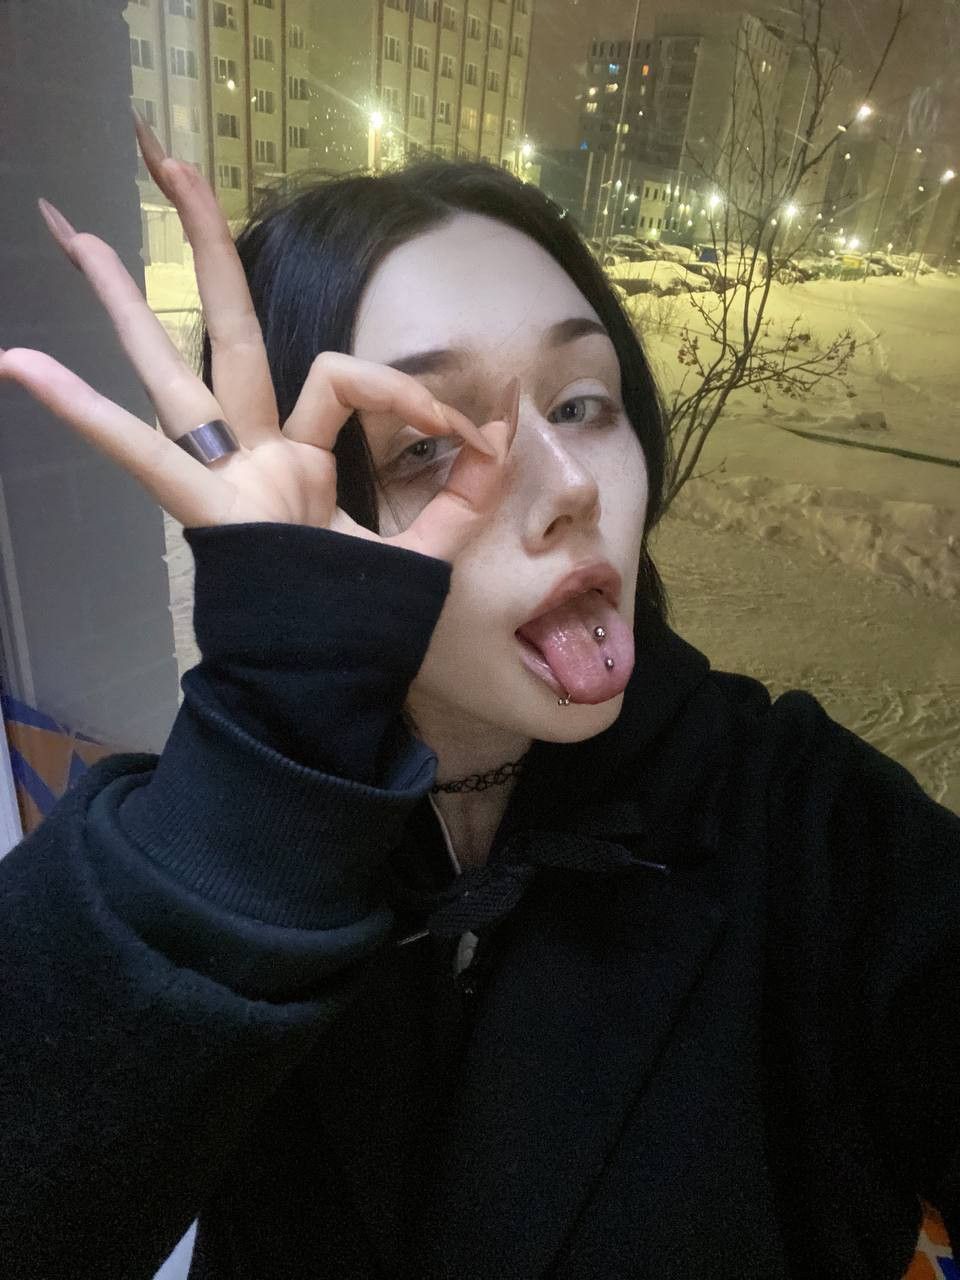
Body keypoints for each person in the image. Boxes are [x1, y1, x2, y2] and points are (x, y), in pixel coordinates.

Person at [0, 110, 957, 1280]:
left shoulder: (814, 831)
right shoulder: (255, 835)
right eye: (426, 445)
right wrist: (277, 733)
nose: (568, 488)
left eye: (583, 402)